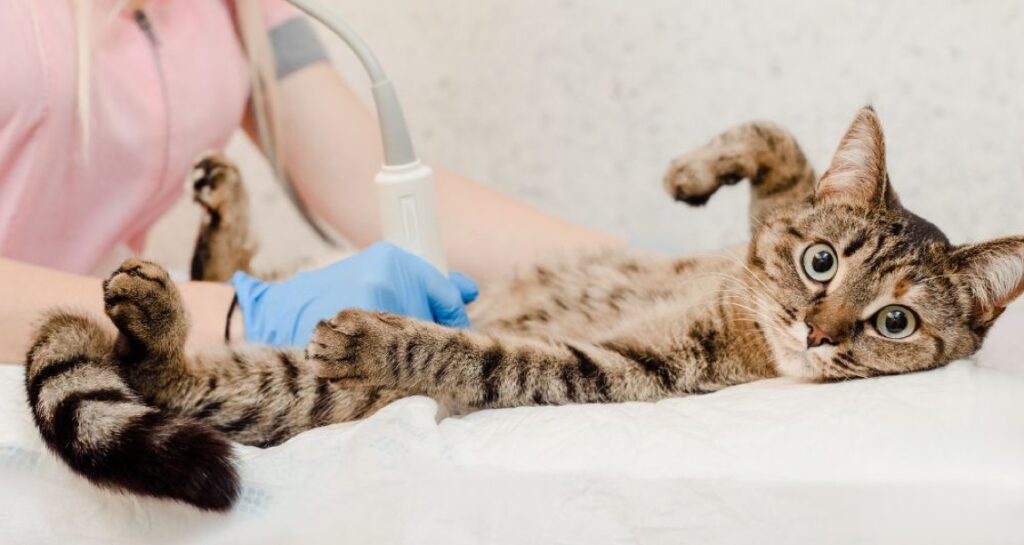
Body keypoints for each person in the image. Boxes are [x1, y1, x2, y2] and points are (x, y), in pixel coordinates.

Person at [0, 0, 619, 363]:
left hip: (97, 360)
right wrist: (247, 318)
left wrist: (651, 277)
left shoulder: (236, 12)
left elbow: (365, 181)